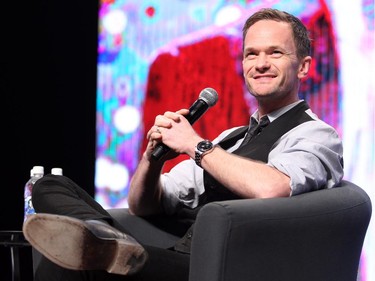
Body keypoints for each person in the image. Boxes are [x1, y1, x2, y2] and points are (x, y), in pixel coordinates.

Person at [23, 7, 344, 281]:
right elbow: (144, 205)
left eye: (275, 52)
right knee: (49, 186)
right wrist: (152, 159)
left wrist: (196, 145)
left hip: (225, 268)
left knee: (70, 257)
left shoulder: (316, 135)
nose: (260, 63)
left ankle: (102, 245)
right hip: (175, 256)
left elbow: (273, 188)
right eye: (251, 54)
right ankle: (104, 237)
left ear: (302, 66)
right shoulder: (231, 138)